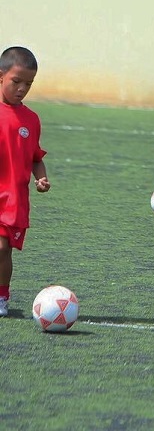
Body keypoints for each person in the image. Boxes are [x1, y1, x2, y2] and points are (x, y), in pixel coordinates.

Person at [0, 47, 51, 318]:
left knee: (3, 249)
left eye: (28, 84)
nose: (22, 89)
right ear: (0, 77)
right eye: (16, 82)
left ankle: (2, 296)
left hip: (14, 198)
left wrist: (41, 177)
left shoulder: (31, 120)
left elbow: (35, 157)